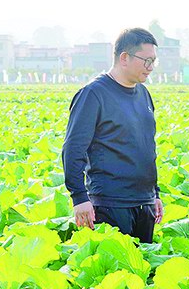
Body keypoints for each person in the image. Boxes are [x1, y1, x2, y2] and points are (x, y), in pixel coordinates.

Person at [62, 27, 163, 243]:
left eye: (154, 61)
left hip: (143, 203)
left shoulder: (143, 94)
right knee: (115, 274)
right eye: (146, 61)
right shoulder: (93, 94)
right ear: (124, 57)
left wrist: (154, 193)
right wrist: (79, 197)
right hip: (110, 203)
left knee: (142, 271)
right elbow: (73, 149)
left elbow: (147, 147)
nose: (151, 68)